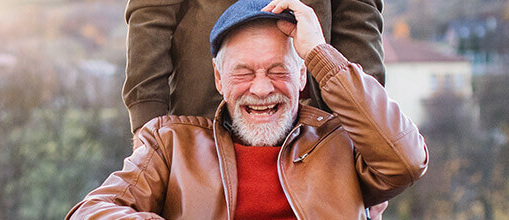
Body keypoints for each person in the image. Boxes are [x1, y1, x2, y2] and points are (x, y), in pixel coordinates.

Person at [62, 0, 426, 220]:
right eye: (244, 73)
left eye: (278, 70)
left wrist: (320, 55)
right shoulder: (175, 144)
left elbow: (407, 160)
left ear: (302, 77)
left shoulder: (336, 137)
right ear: (219, 79)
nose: (262, 88)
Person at [122, 0, 386, 130]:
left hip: (320, 129)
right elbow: (151, 17)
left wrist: (367, 138)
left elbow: (358, 18)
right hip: (206, 121)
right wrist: (149, 135)